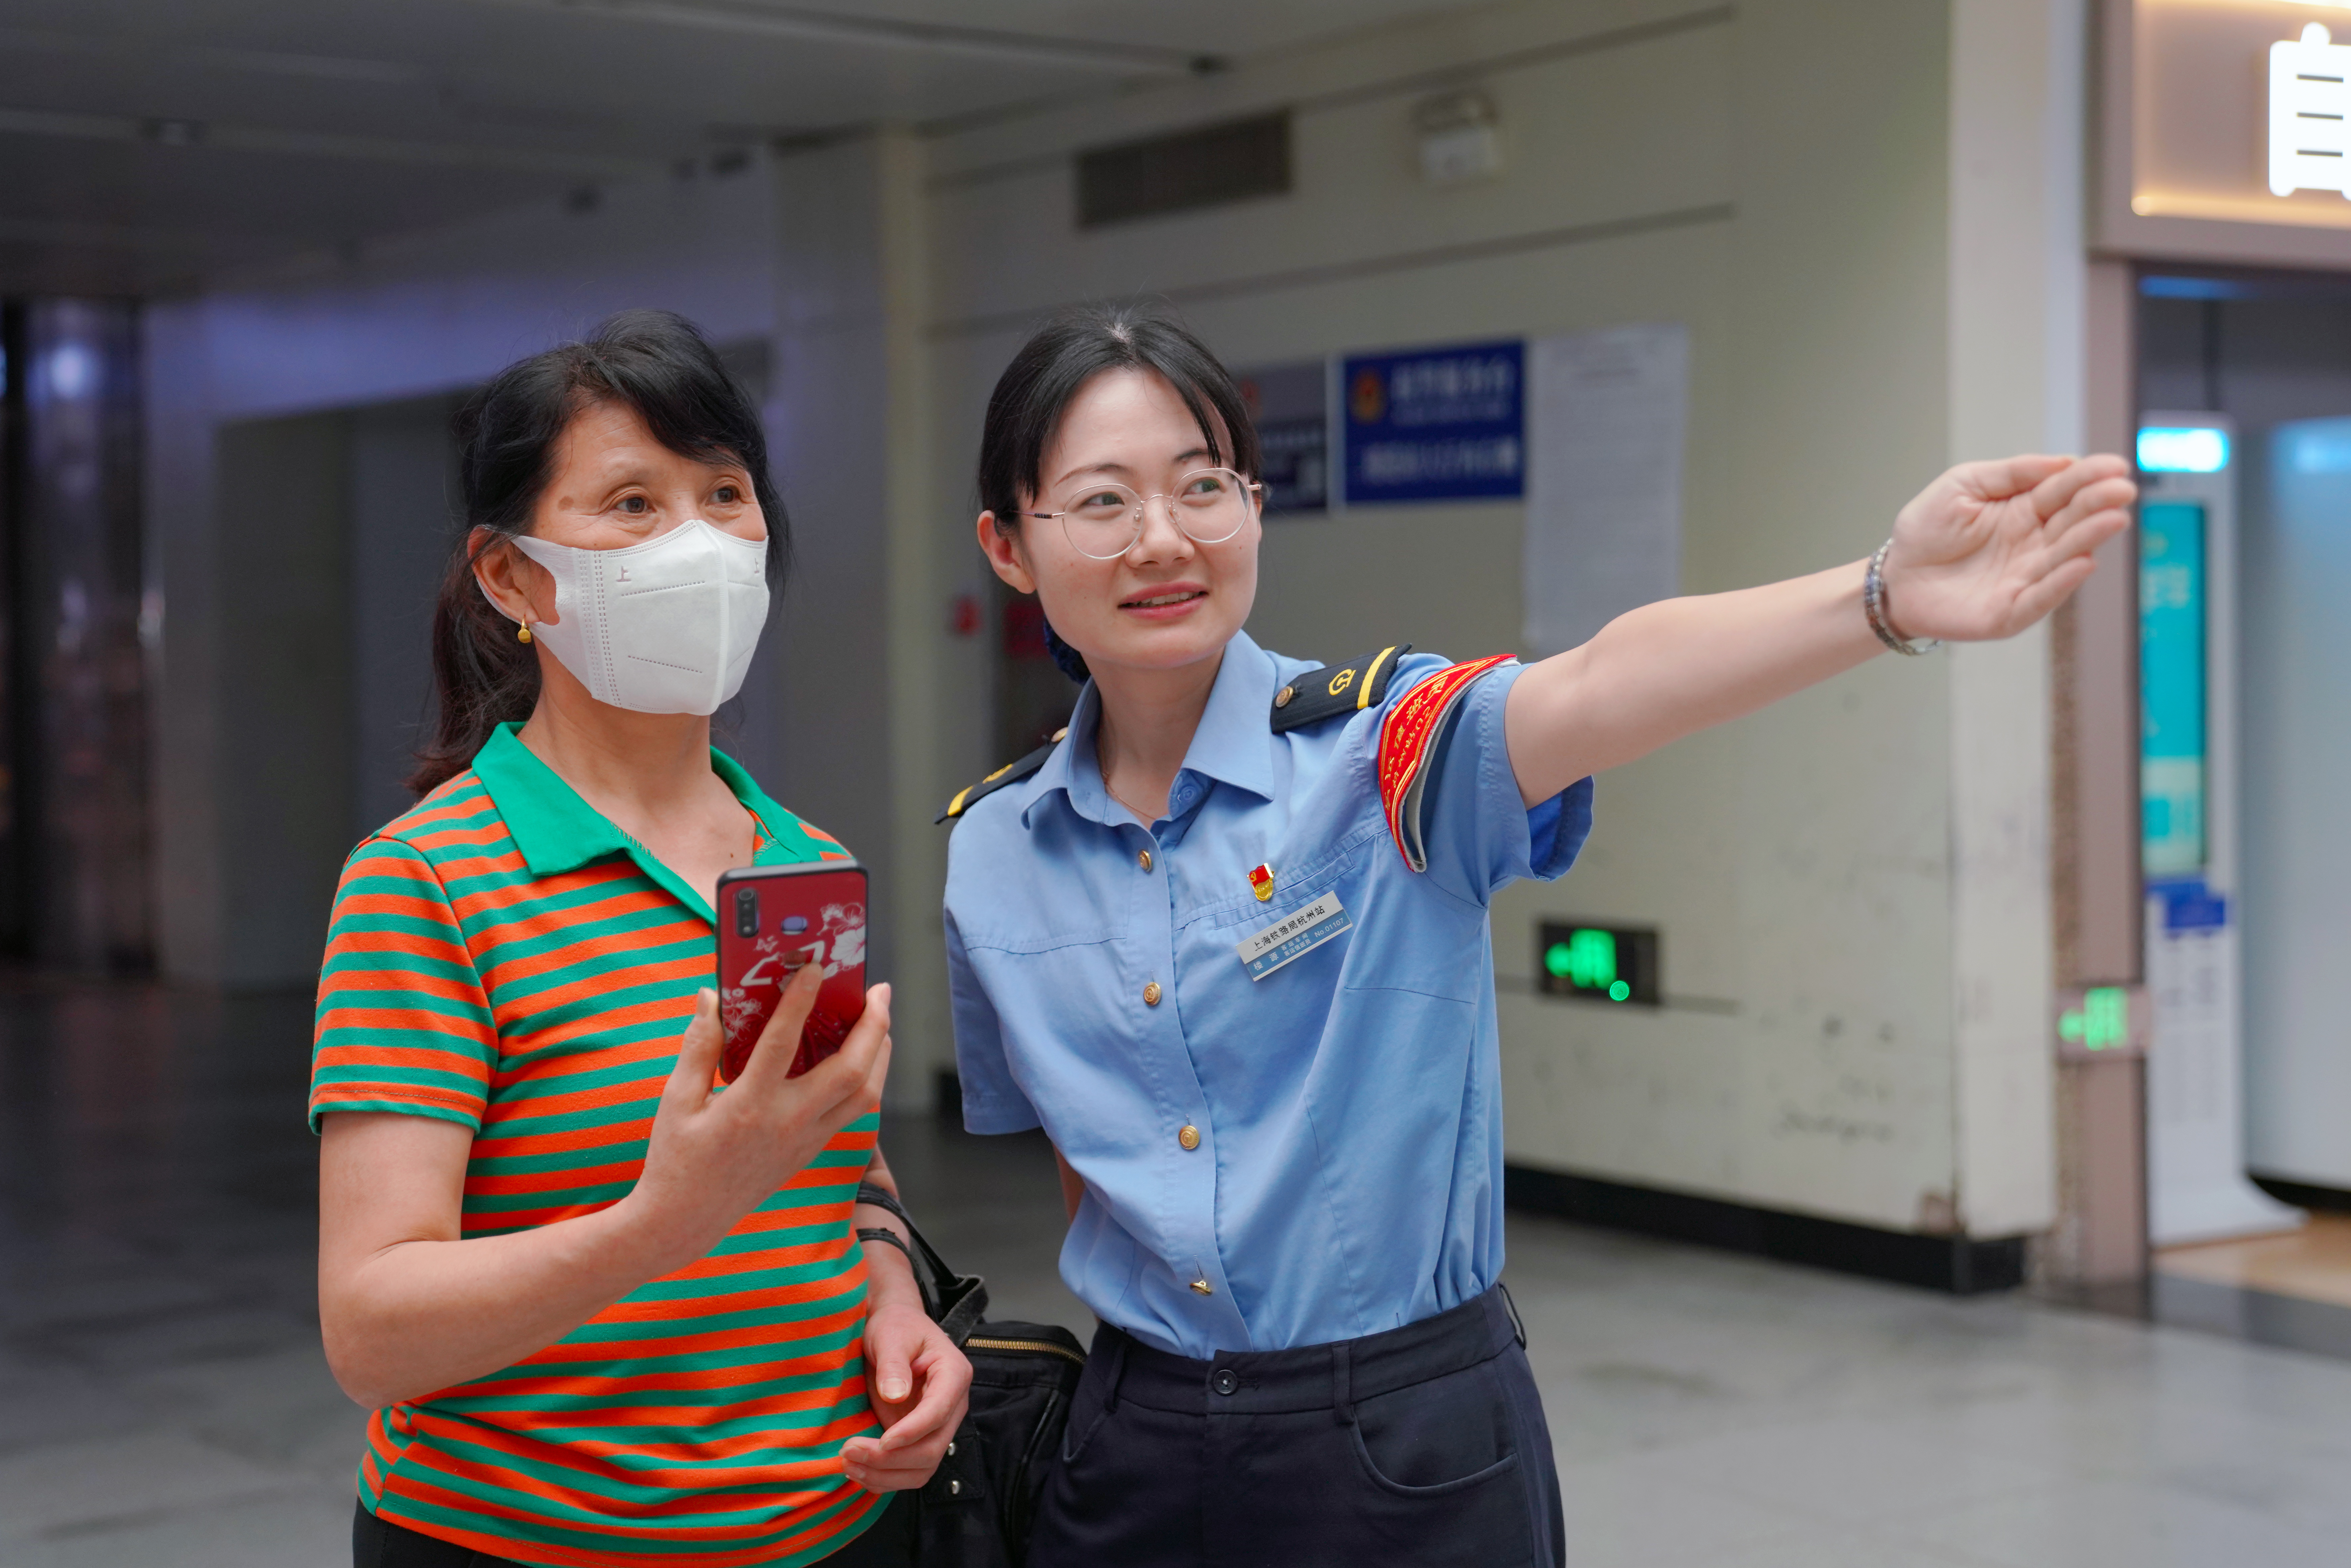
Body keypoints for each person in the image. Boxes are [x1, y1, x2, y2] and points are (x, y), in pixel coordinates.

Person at [939, 303, 2135, 1567]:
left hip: (1402, 1439)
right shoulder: (994, 853)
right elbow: (1092, 1173)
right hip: (1133, 1444)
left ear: (1252, 505)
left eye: (1203, 486)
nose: (1165, 538)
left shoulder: (1380, 755)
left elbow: (1604, 680)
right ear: (1011, 547)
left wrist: (1883, 596)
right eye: (1103, 502)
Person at [313, 310, 969, 1568]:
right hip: (530, 1542)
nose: (700, 542)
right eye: (630, 502)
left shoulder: (802, 860)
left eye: (725, 492)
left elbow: (834, 1171)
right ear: (511, 578)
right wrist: (667, 1217)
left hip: (837, 1526)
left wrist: (900, 1303)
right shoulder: (428, 884)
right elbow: (372, 1332)